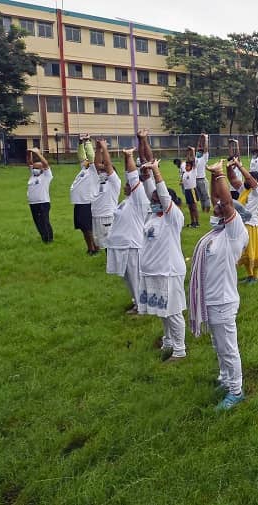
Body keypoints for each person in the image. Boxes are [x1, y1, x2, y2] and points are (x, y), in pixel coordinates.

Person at [190, 159, 250, 410]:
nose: (216, 209)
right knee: (218, 345)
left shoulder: (235, 233)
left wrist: (219, 174)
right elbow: (219, 200)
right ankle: (225, 379)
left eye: (221, 210)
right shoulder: (217, 234)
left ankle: (236, 390)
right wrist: (215, 180)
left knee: (228, 347)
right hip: (210, 299)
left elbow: (225, 202)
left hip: (223, 301)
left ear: (232, 216)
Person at [138, 159, 187, 362]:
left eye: (159, 199)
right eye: (153, 199)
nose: (154, 200)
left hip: (169, 271)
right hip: (153, 272)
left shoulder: (173, 217)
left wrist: (157, 172)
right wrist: (146, 174)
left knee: (173, 312)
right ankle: (167, 341)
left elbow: (162, 195)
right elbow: (153, 192)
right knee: (161, 310)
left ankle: (179, 350)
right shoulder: (153, 215)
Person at [106, 135, 151, 314]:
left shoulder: (139, 200)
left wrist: (128, 157)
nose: (125, 186)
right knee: (129, 279)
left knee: (136, 278)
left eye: (128, 184)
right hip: (121, 246)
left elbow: (133, 177)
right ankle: (136, 302)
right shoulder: (126, 201)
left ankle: (142, 307)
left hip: (132, 246)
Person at [233, 161, 258, 284]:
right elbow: (233, 180)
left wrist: (239, 166)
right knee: (244, 251)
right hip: (241, 224)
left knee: (253, 251)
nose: (247, 181)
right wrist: (229, 168)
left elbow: (248, 178)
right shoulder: (244, 190)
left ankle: (256, 276)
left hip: (252, 225)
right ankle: (249, 275)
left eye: (251, 178)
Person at [70, 134, 99, 255]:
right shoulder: (84, 169)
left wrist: (87, 142)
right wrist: (80, 143)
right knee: (83, 228)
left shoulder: (93, 170)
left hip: (86, 202)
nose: (86, 162)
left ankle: (94, 248)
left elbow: (91, 156)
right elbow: (82, 157)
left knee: (88, 228)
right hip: (79, 202)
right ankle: (90, 247)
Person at [91, 139, 121, 250]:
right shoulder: (98, 179)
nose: (102, 171)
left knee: (110, 245)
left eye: (106, 170)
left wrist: (104, 148)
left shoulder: (114, 182)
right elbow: (97, 165)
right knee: (101, 244)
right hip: (95, 215)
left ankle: (114, 266)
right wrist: (98, 149)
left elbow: (108, 165)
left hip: (107, 216)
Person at [26, 148, 54, 243]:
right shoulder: (33, 176)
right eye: (34, 168)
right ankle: (45, 238)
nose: (34, 169)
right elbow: (29, 162)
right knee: (38, 222)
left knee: (44, 221)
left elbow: (46, 164)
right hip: (33, 203)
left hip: (43, 202)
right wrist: (29, 152)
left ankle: (48, 239)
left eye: (37, 168)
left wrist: (38, 154)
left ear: (42, 169)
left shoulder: (46, 176)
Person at [178, 147, 200, 228]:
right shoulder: (185, 173)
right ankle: (192, 222)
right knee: (190, 208)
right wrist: (188, 152)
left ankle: (197, 222)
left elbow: (193, 161)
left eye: (188, 165)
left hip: (192, 191)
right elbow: (188, 160)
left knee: (194, 207)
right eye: (186, 165)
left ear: (191, 166)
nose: (186, 166)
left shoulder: (193, 171)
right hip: (187, 191)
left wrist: (193, 151)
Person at [194, 134, 211, 212]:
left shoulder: (204, 158)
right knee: (200, 196)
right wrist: (200, 139)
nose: (198, 151)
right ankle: (203, 208)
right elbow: (198, 147)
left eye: (199, 150)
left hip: (202, 179)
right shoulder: (195, 158)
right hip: (195, 180)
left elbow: (206, 149)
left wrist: (206, 138)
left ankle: (207, 208)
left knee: (205, 195)